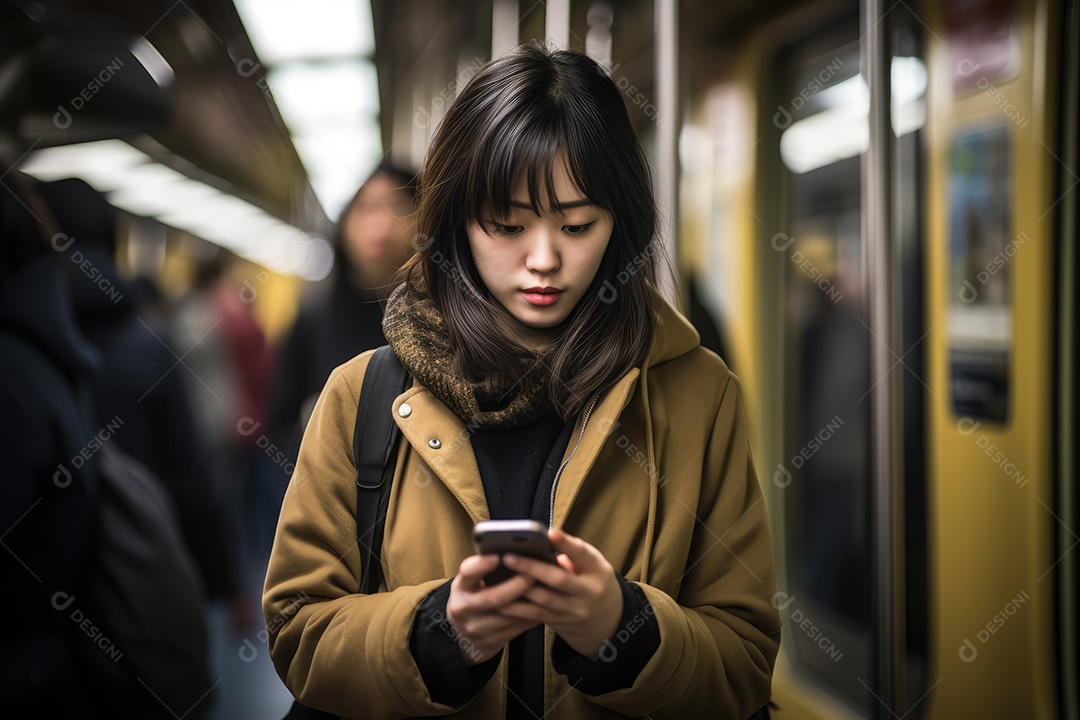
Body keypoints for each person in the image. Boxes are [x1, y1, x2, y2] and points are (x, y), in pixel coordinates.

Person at [262, 41, 780, 720]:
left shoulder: (698, 393)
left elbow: (743, 659)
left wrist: (624, 628)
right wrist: (437, 636)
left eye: (576, 224)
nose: (544, 261)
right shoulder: (362, 396)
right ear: (455, 224)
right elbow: (299, 632)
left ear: (621, 223)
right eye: (506, 225)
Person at [266, 164, 418, 463]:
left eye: (398, 208)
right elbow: (279, 422)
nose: (381, 225)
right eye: (366, 208)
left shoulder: (445, 318)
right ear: (345, 224)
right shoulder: (313, 320)